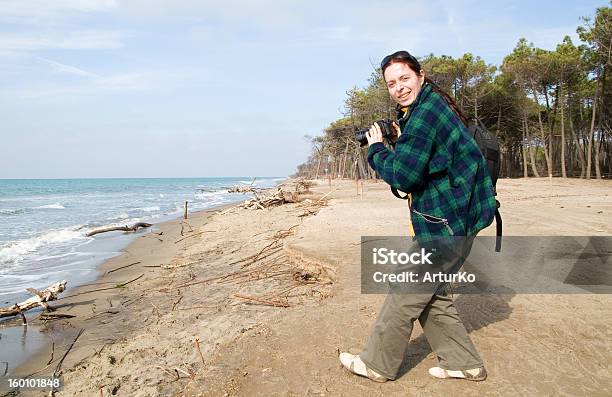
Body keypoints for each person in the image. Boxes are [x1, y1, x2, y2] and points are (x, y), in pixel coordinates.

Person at [339, 51, 497, 383]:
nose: (399, 87)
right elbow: (429, 156)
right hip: (455, 219)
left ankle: (377, 364)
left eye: (405, 78)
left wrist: (378, 148)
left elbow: (405, 176)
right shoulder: (429, 108)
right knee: (431, 292)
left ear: (420, 75)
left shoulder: (426, 113)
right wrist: (400, 136)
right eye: (391, 83)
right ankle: (463, 362)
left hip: (446, 224)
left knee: (406, 289)